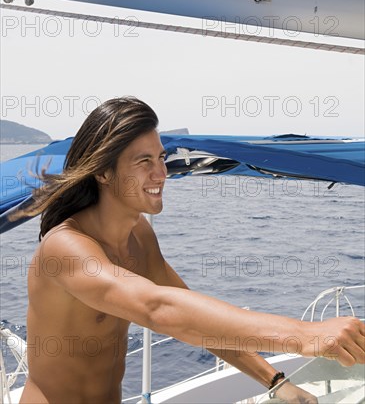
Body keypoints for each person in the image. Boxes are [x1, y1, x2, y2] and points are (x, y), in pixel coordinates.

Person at [17, 97, 364, 404]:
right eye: (144, 162)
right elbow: (157, 308)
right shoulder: (64, 248)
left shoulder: (138, 233)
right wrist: (305, 335)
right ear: (105, 173)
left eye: (161, 158)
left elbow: (188, 308)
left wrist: (274, 380)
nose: (161, 173)